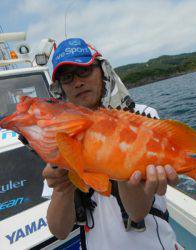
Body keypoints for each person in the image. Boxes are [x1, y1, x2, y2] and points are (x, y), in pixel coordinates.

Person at [42, 38, 179, 250]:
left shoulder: (143, 119)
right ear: (61, 89)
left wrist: (123, 162)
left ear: (102, 71)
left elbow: (137, 212)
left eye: (84, 71)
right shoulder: (62, 139)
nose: (77, 82)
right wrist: (62, 187)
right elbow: (59, 231)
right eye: (67, 77)